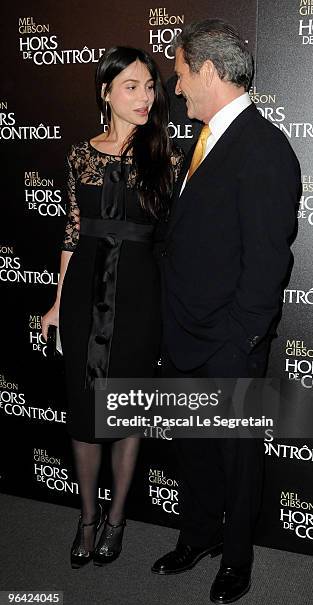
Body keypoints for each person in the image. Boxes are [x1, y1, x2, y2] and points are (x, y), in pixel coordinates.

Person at [151, 19, 301, 605]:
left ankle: (236, 557)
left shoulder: (263, 149)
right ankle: (199, 534)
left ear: (209, 71)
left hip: (227, 341)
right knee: (192, 447)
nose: (176, 85)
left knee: (238, 457)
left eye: (182, 72)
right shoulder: (205, 138)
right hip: (184, 331)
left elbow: (267, 262)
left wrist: (240, 340)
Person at [41, 46, 183, 569]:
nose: (146, 96)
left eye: (151, 86)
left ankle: (117, 519)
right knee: (84, 411)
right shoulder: (80, 154)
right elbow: (73, 233)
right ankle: (86, 517)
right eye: (132, 86)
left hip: (142, 295)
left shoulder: (164, 155)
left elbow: (171, 239)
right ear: (105, 92)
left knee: (127, 411)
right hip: (82, 293)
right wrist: (57, 302)